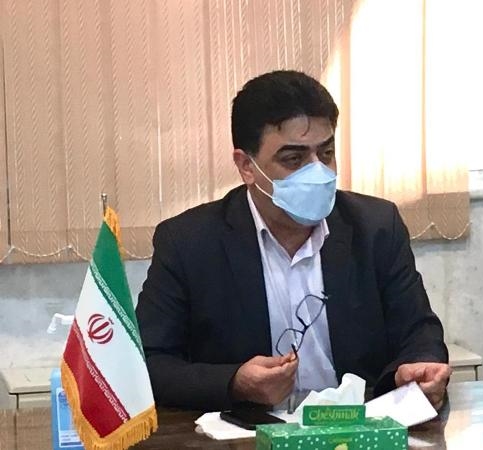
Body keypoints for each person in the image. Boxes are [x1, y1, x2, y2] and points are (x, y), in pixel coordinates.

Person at [136, 70, 451, 413]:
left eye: (326, 153)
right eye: (293, 159)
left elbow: (419, 332)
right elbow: (150, 363)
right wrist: (235, 382)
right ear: (246, 166)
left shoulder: (376, 227)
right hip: (247, 430)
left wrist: (417, 367)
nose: (317, 172)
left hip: (356, 427)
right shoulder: (188, 242)